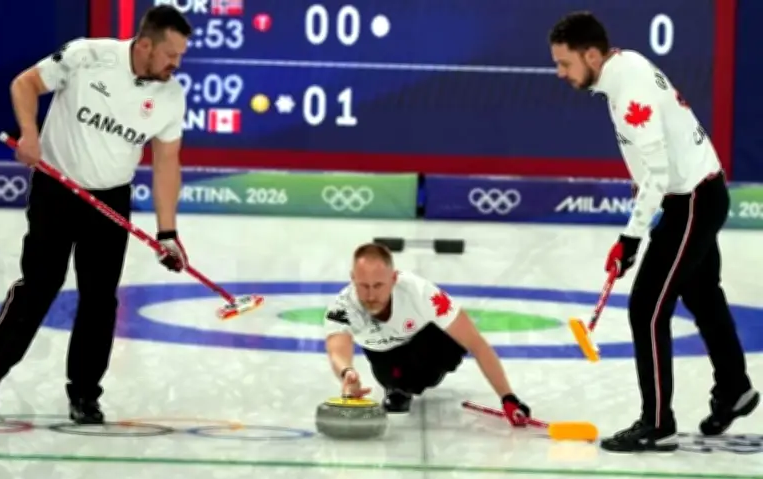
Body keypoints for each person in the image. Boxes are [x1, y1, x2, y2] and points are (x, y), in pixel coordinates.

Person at [0, 6, 193, 425]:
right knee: (40, 285)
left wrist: (167, 232)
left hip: (110, 200)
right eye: (171, 55)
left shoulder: (170, 95)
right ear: (144, 45)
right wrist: (30, 136)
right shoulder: (87, 55)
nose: (176, 65)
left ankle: (85, 394)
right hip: (57, 189)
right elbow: (25, 84)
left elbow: (166, 163)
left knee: (100, 298)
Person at [549, 11, 758, 452]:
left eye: (565, 63)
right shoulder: (622, 67)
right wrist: (639, 215)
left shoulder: (628, 92)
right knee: (702, 294)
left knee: (646, 308)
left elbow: (658, 175)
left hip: (693, 201)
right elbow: (648, 162)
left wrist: (630, 238)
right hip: (700, 191)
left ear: (591, 55)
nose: (560, 73)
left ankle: (657, 422)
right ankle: (735, 388)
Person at [322, 243, 531, 425]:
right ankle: (399, 387)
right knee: (396, 380)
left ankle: (416, 380)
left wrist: (508, 398)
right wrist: (347, 373)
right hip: (384, 358)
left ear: (394, 278)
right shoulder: (343, 305)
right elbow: (337, 348)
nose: (370, 295)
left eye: (378, 285)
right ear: (352, 279)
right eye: (363, 286)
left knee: (451, 340)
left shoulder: (421, 294)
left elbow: (476, 343)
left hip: (427, 347)